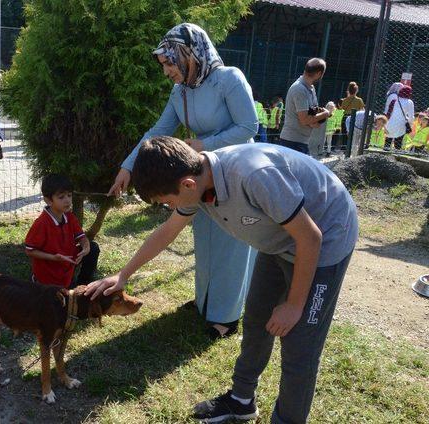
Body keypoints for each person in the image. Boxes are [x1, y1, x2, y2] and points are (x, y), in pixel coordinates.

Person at [86, 136, 358, 424]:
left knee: (299, 346)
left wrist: (294, 304)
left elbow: (310, 237)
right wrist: (123, 274)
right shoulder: (197, 183)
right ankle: (241, 401)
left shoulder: (254, 176)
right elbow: (167, 232)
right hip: (279, 241)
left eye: (168, 202)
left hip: (325, 237)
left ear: (187, 185)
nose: (169, 208)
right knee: (257, 320)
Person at [109, 23, 258, 339]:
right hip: (201, 173)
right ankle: (207, 302)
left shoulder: (228, 79)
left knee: (230, 243)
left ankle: (227, 317)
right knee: (205, 239)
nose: (166, 71)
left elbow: (248, 127)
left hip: (233, 173)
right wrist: (128, 166)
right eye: (163, 65)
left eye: (169, 62)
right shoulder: (180, 92)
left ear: (189, 54)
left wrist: (202, 145)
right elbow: (157, 132)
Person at [25, 174, 100, 288]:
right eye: (61, 197)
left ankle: (83, 285)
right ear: (48, 200)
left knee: (93, 248)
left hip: (67, 261)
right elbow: (30, 251)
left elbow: (81, 237)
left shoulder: (69, 216)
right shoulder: (41, 223)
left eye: (69, 195)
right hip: (49, 274)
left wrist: (86, 247)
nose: (67, 200)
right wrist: (54, 257)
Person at [279, 58, 329, 155]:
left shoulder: (311, 88)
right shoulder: (299, 89)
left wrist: (315, 120)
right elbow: (304, 120)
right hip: (292, 142)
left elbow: (312, 116)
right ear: (319, 74)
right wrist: (326, 114)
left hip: (302, 141)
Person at [384, 84, 414, 151]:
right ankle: (396, 157)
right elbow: (411, 117)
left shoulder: (395, 99)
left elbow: (388, 111)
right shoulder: (409, 102)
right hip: (401, 124)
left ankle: (384, 154)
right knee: (398, 143)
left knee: (388, 142)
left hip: (390, 122)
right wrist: (410, 125)